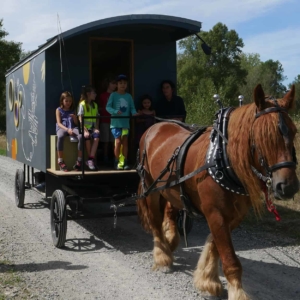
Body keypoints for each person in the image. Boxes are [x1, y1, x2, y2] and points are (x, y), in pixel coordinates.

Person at [106, 74, 139, 170]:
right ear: (116, 84)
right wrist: (115, 112)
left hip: (125, 124)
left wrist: (134, 113)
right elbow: (108, 107)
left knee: (125, 142)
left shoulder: (128, 96)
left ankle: (124, 161)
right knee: (118, 141)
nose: (123, 85)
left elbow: (132, 108)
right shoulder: (113, 95)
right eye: (120, 83)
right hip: (115, 123)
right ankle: (116, 161)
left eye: (124, 83)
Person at [56, 91, 83, 172]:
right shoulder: (59, 110)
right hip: (63, 127)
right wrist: (67, 129)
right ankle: (60, 160)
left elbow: (76, 123)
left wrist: (75, 118)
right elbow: (59, 123)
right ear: (62, 101)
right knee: (60, 136)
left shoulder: (73, 110)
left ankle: (79, 160)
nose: (68, 103)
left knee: (81, 136)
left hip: (73, 127)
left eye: (70, 101)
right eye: (66, 101)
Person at [78, 85, 100, 170]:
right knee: (87, 137)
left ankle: (90, 159)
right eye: (94, 93)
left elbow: (97, 118)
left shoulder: (95, 105)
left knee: (96, 137)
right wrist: (85, 130)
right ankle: (91, 161)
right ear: (88, 94)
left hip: (92, 128)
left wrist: (96, 128)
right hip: (84, 128)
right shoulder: (82, 104)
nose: (95, 94)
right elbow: (80, 118)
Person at [98, 77, 117, 164]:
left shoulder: (117, 95)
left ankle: (114, 158)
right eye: (113, 83)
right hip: (104, 120)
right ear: (108, 84)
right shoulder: (102, 95)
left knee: (114, 141)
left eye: (115, 84)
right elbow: (100, 107)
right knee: (105, 140)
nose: (115, 85)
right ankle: (105, 157)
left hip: (115, 120)